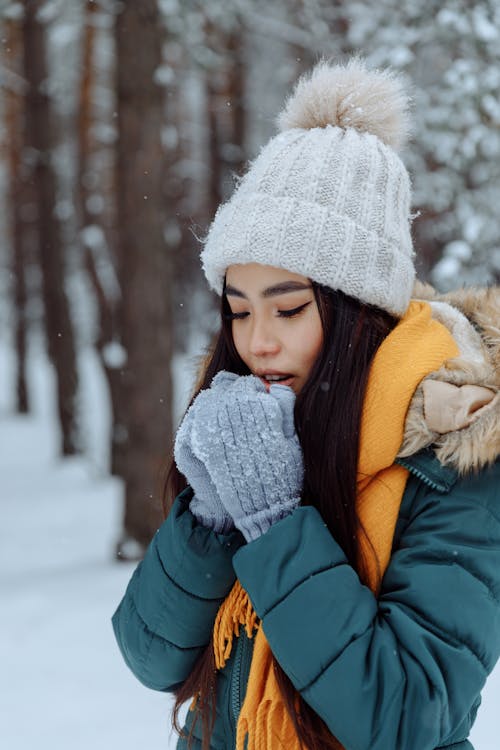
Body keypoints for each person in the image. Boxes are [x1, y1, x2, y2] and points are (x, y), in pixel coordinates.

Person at [112, 59, 500, 750]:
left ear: (359, 312)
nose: (257, 341)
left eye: (289, 309)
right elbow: (151, 658)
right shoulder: (253, 433)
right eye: (238, 310)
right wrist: (210, 518)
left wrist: (277, 524)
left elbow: (404, 714)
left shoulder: (458, 455)